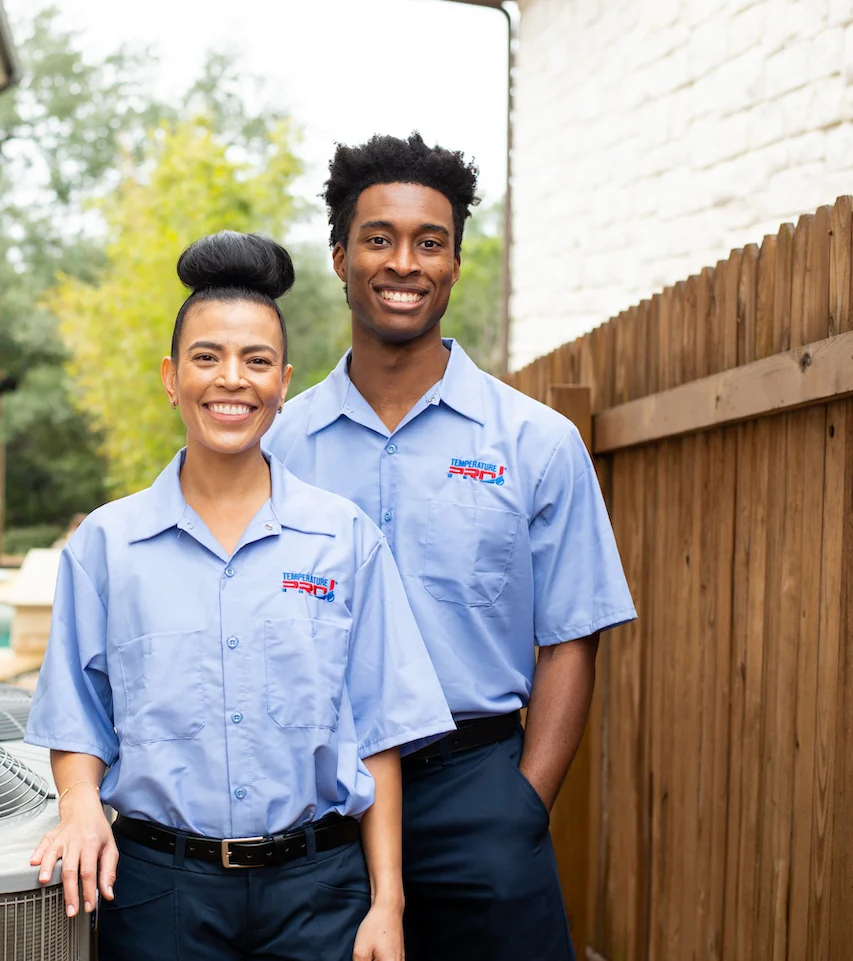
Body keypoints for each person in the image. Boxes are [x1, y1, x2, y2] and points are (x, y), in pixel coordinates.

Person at [24, 231, 454, 961]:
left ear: (283, 382)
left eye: (256, 361)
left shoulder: (343, 539)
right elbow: (77, 716)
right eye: (206, 357)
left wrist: (387, 902)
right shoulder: (106, 545)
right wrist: (79, 805)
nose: (232, 379)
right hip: (161, 894)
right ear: (170, 376)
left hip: (319, 894)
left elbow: (380, 732)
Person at [264, 134, 637, 960]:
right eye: (379, 237)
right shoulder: (278, 450)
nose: (405, 261)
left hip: (479, 791)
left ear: (456, 264)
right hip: (319, 800)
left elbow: (572, 634)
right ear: (340, 256)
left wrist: (523, 807)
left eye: (430, 241)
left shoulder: (538, 442)